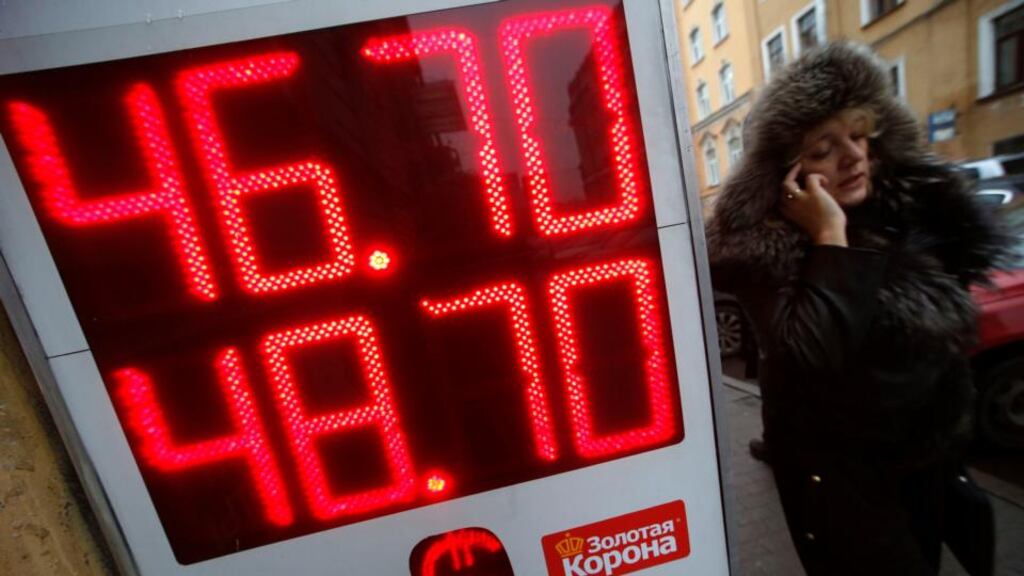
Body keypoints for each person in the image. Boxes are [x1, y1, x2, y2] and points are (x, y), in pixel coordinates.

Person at [706, 42, 1006, 575]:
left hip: (928, 463)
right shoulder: (765, 254)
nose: (853, 156)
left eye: (859, 135)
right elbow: (811, 353)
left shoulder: (903, 212)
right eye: (824, 148)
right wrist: (828, 235)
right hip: (846, 486)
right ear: (785, 177)